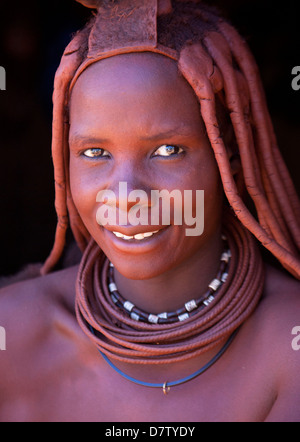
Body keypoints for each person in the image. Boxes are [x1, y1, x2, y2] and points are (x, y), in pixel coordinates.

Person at [0, 0, 299, 422]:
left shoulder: (289, 347)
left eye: (167, 150)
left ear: (227, 153)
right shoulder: (11, 334)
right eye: (95, 152)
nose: (125, 194)